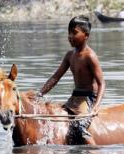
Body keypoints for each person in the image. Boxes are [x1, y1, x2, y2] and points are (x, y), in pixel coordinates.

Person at [38, 16, 105, 145]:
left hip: (88, 99)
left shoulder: (90, 56)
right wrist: (39, 94)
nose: (70, 36)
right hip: (74, 98)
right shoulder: (70, 55)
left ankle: (95, 153)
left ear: (86, 35)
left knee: (79, 128)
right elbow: (55, 77)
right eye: (69, 32)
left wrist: (96, 106)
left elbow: (102, 83)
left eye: (74, 33)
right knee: (54, 119)